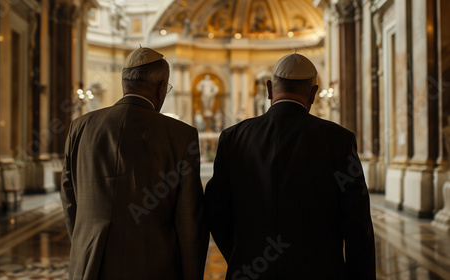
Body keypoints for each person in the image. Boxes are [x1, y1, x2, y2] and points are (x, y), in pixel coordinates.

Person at [205, 53, 376, 279]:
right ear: (313, 94)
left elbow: (216, 211)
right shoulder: (338, 140)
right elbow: (357, 222)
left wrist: (242, 256)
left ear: (268, 89)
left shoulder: (233, 137)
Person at [61, 47, 208, 280]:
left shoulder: (80, 127)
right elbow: (189, 218)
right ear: (161, 88)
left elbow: (70, 201)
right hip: (154, 267)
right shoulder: (181, 135)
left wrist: (85, 245)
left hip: (89, 265)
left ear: (124, 83)